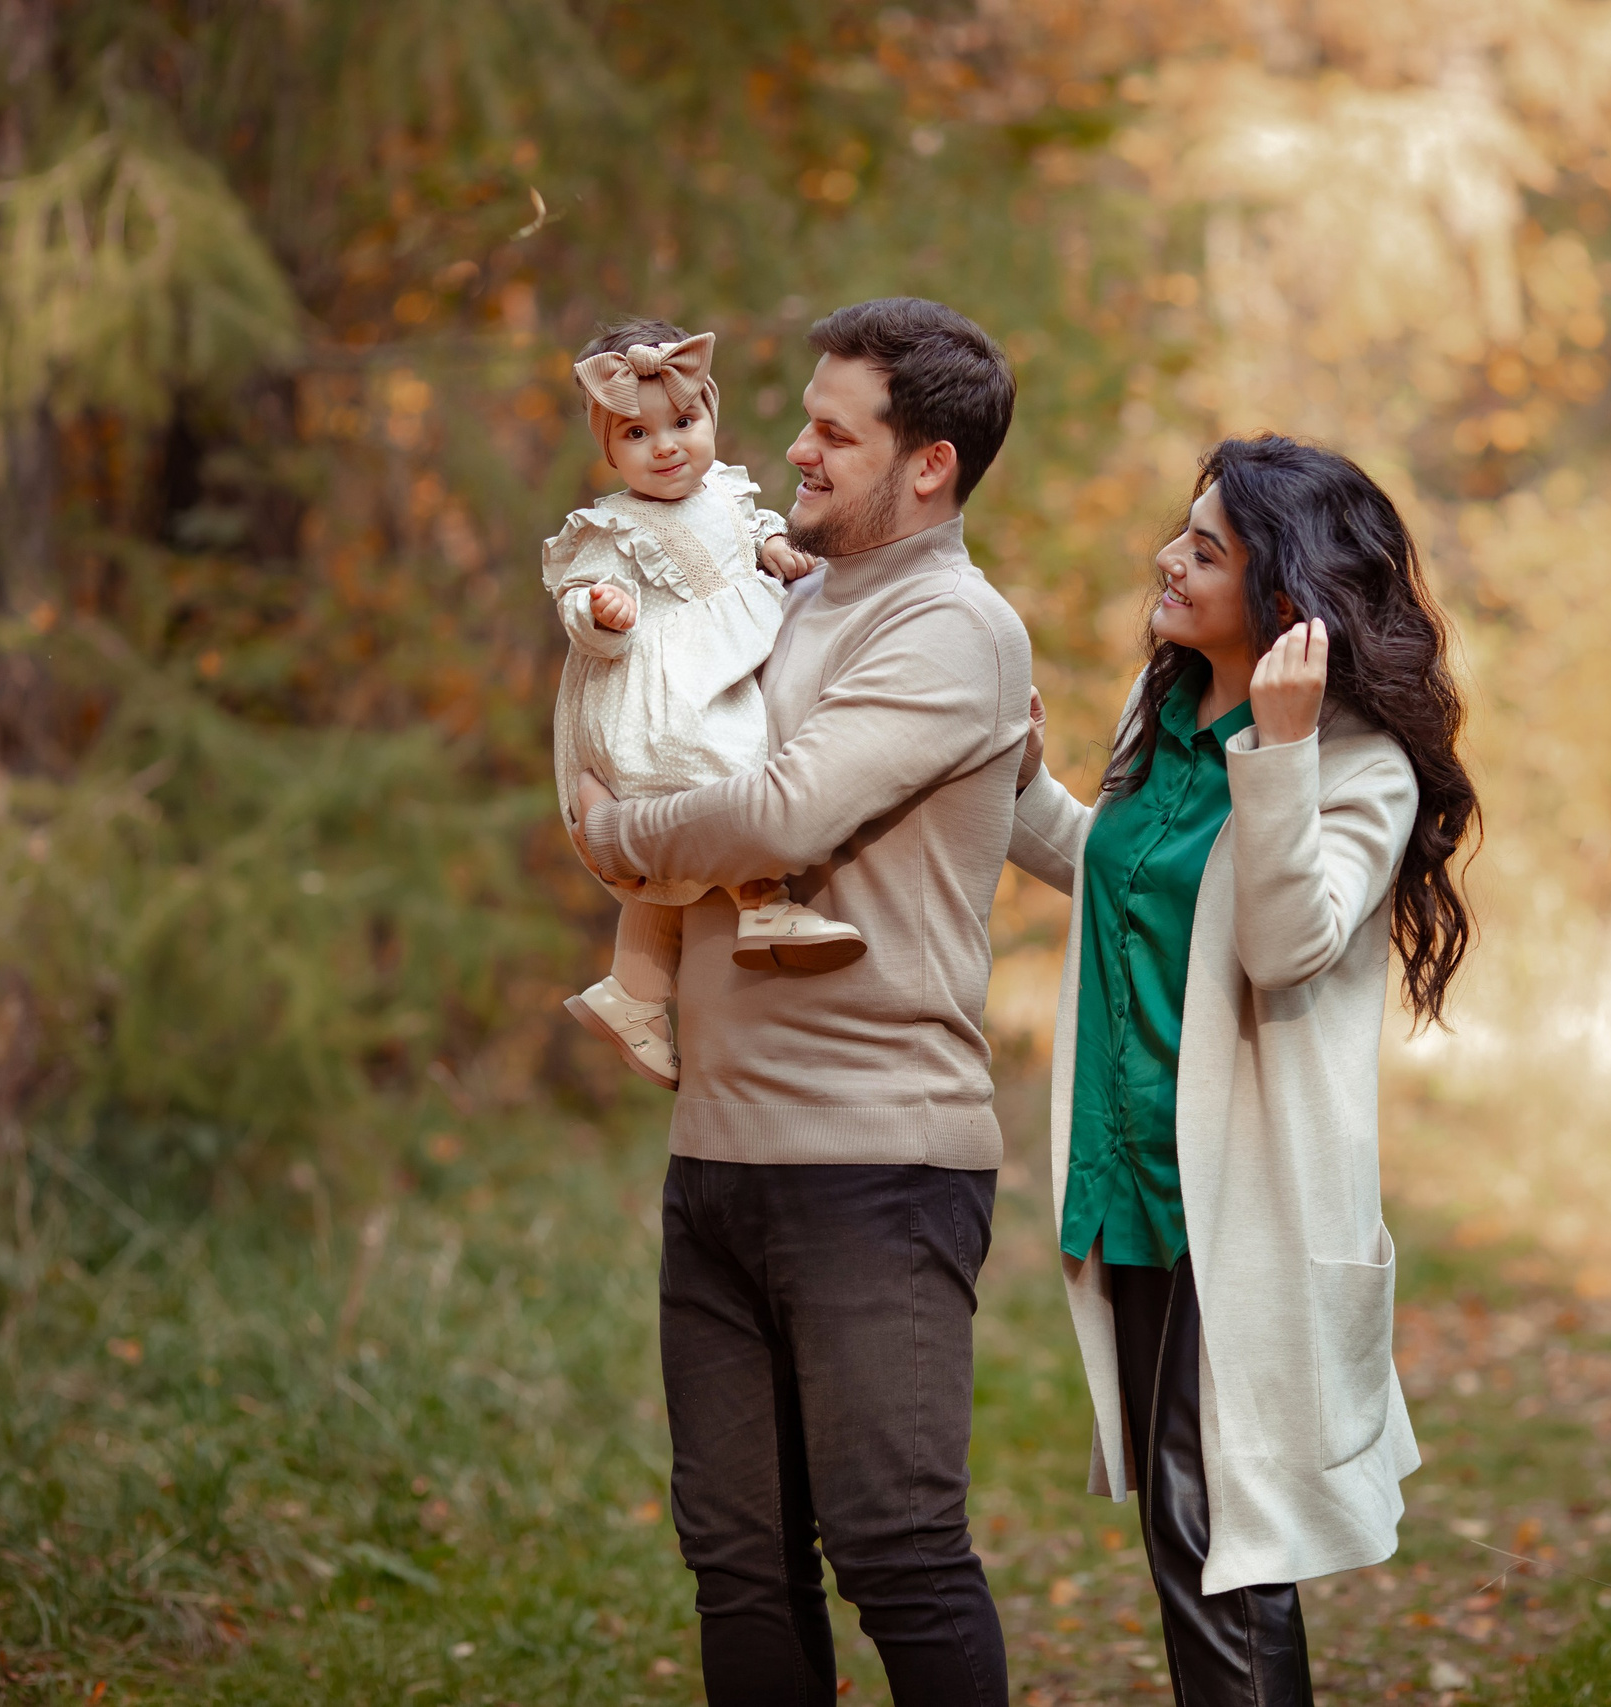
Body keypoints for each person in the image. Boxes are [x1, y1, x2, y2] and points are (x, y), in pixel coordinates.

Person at [567, 298, 1028, 1706]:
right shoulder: (781, 592)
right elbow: (620, 732)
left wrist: (616, 839)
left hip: (875, 1160)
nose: (797, 447)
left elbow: (772, 813)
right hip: (717, 1156)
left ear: (928, 463)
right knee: (741, 1566)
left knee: (895, 1550)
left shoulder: (955, 625)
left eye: (835, 430)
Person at [1009, 435, 1479, 1704]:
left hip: (1245, 1205)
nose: (1167, 558)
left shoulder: (1357, 765)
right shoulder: (1158, 714)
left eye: (1205, 549)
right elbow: (1126, 872)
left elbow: (1282, 948)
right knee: (1191, 1532)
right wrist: (1015, 782)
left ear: (1286, 600)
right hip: (1139, 1171)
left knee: (1216, 1537)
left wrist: (1274, 755)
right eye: (1183, 531)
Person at [544, 318, 858, 1093]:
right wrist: (603, 609)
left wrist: (775, 550)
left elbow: (753, 534)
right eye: (638, 433)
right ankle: (762, 895)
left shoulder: (726, 490)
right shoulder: (612, 525)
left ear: (710, 414)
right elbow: (575, 603)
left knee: (707, 801)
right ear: (609, 449)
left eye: (685, 421)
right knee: (724, 770)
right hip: (657, 691)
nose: (667, 445)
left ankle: (636, 993)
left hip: (717, 668)